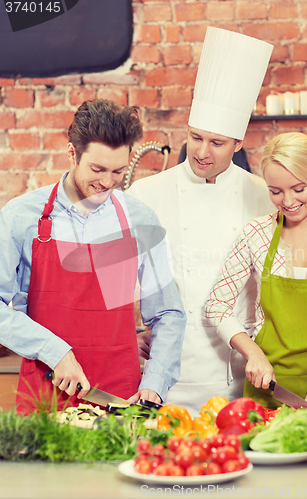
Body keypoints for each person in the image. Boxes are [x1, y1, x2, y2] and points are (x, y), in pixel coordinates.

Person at [0, 99, 186, 413]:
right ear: (72, 153)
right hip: (45, 395)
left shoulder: (139, 220)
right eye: (97, 169)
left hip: (118, 399)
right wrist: (54, 351)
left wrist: (155, 382)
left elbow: (168, 314)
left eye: (117, 171)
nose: (107, 183)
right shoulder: (22, 216)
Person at [128, 27, 274, 415]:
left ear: (238, 144)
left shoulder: (263, 194)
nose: (202, 152)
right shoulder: (146, 194)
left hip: (237, 370)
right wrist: (132, 330)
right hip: (166, 373)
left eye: (217, 142)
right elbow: (118, 278)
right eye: (195, 138)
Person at [206, 132, 307, 413]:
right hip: (269, 393)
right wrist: (253, 353)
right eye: (276, 191)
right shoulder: (255, 234)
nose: (287, 201)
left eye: (298, 189)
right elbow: (216, 306)